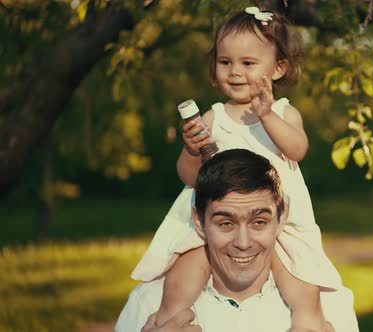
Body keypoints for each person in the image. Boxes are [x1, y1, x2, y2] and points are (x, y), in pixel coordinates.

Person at [130, 6, 342, 332]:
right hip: (219, 220)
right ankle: (171, 316)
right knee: (187, 265)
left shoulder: (284, 112)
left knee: (302, 275)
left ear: (278, 68)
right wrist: (191, 150)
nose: (234, 72)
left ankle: (308, 323)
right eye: (225, 62)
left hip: (279, 219)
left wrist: (267, 115)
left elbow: (297, 149)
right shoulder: (213, 118)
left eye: (248, 63)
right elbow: (190, 178)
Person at [115, 149, 358, 331]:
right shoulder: (150, 304)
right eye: (226, 223)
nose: (243, 242)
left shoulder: (330, 307)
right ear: (199, 221)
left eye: (259, 222)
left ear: (282, 217)